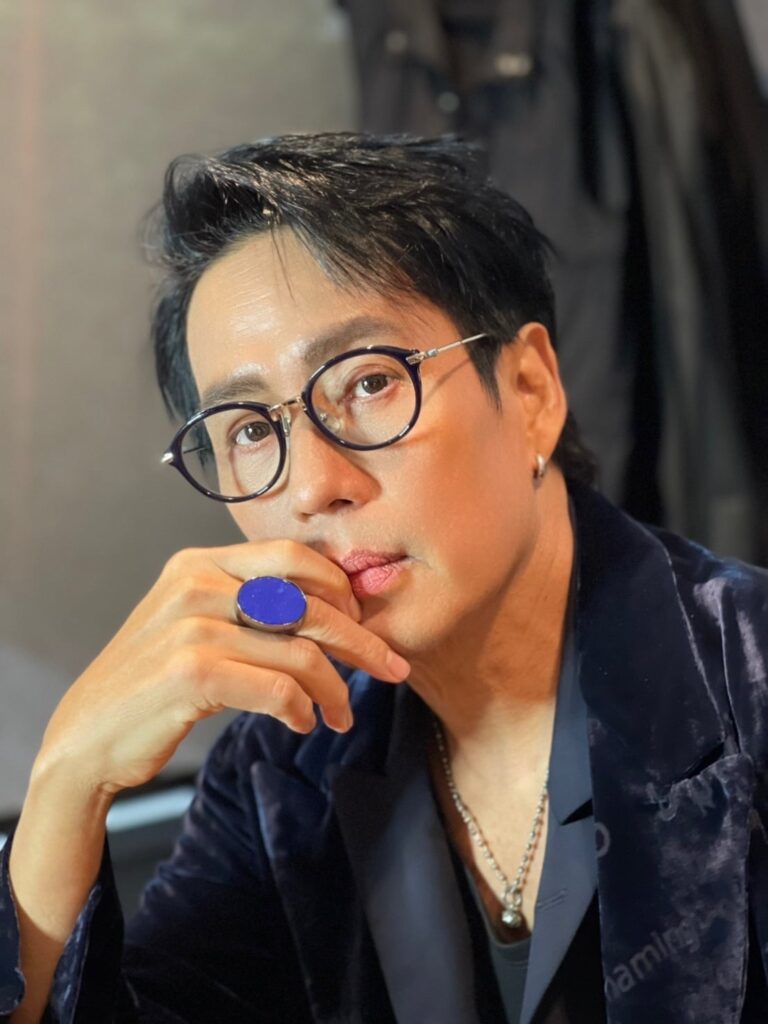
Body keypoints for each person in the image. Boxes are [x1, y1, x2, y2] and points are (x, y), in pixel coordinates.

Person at [1, 132, 767, 1024]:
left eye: (367, 383)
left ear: (529, 391)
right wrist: (68, 781)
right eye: (249, 429)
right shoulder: (284, 772)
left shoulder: (743, 678)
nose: (313, 487)